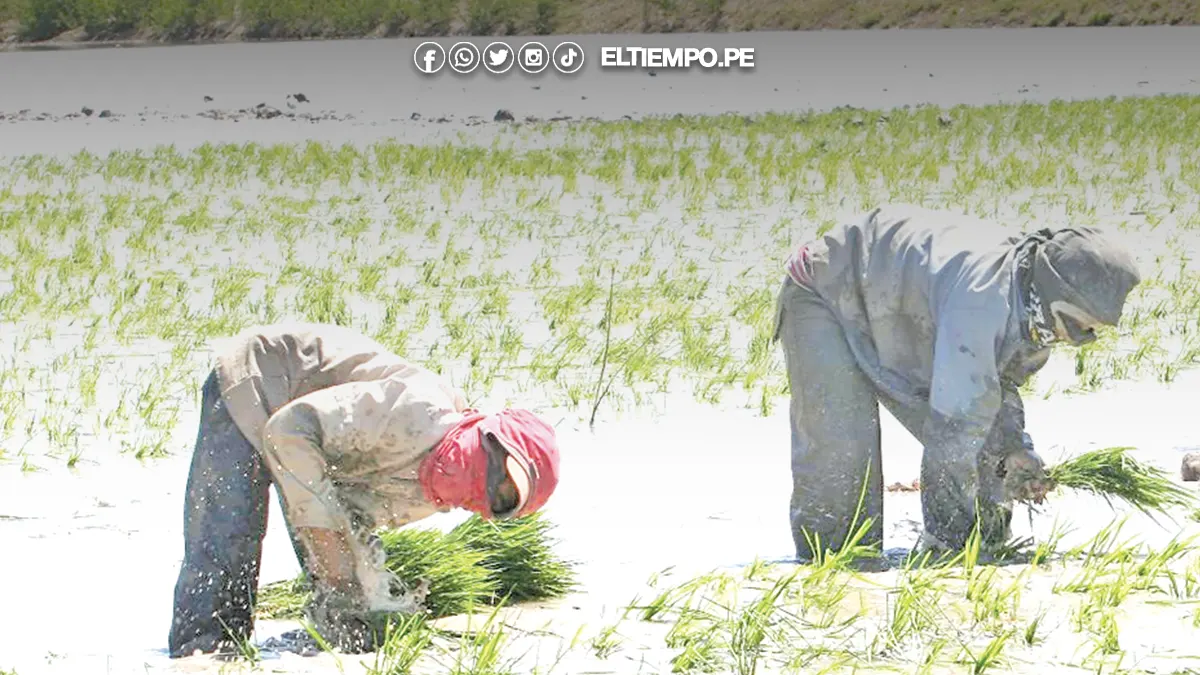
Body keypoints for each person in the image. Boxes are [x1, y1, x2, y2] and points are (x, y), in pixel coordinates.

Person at [772, 204, 1140, 565]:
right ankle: (832, 569)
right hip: (826, 293)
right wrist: (950, 549)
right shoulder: (982, 300)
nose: (1084, 338)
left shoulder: (1031, 309)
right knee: (842, 458)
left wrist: (1015, 448)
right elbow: (955, 430)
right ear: (1060, 298)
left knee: (989, 449)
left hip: (899, 312)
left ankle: (982, 545)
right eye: (1083, 327)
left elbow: (995, 391)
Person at [168, 322, 561, 657]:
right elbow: (288, 430)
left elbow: (351, 517)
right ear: (486, 433)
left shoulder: (432, 496)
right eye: (499, 473)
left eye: (503, 500)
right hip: (257, 382)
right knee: (229, 544)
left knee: (347, 613)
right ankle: (202, 655)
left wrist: (366, 592)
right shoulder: (418, 410)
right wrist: (329, 547)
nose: (488, 489)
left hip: (316, 446)